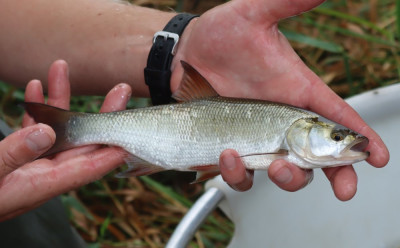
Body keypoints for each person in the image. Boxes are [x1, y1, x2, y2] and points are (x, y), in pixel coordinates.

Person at [0, 0, 389, 222]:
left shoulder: (286, 128)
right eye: (338, 136)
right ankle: (73, 132)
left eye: (339, 136)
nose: (345, 140)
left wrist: (178, 47)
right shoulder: (286, 131)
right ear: (305, 130)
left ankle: (73, 132)